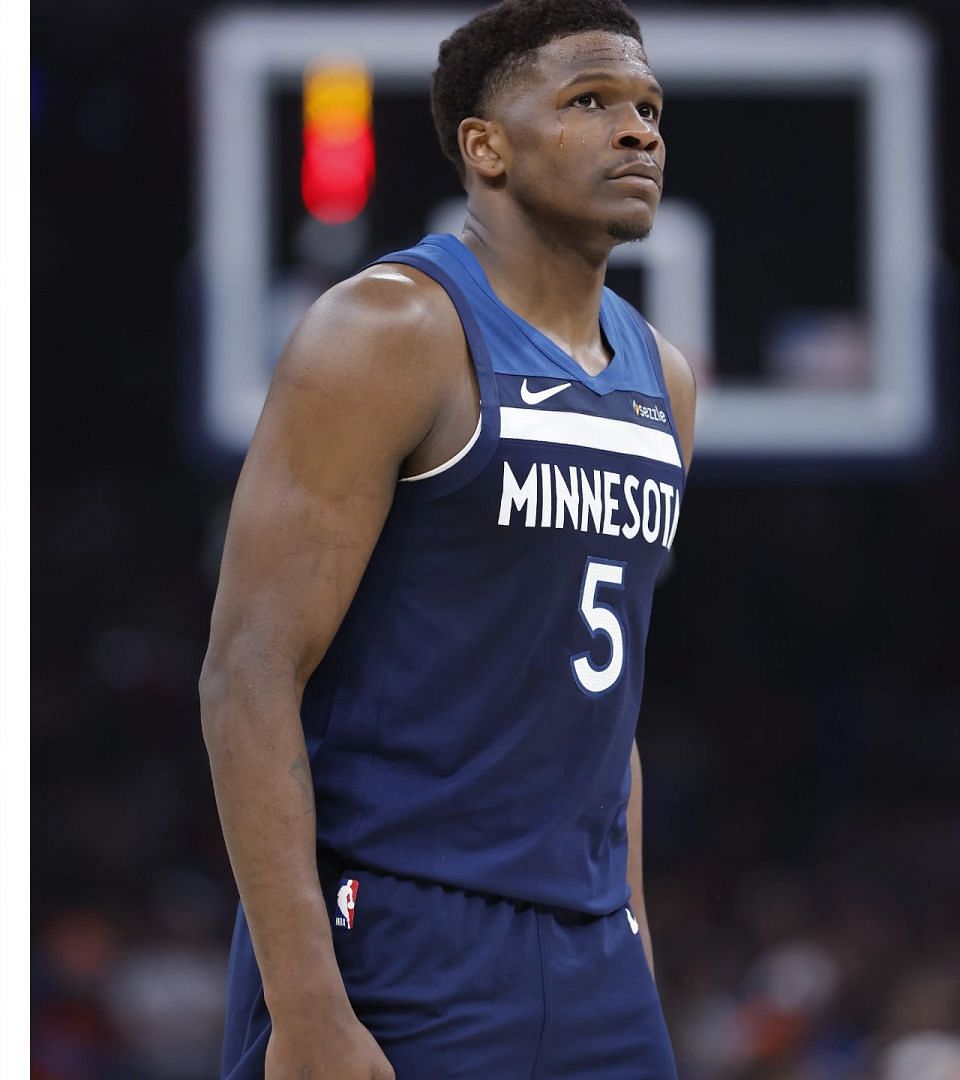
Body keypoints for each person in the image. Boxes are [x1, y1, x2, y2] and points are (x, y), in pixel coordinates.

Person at [200, 1, 694, 1076]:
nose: (639, 130)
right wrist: (306, 1004)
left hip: (595, 944)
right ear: (486, 146)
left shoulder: (665, 379)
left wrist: (633, 945)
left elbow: (606, 706)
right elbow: (247, 673)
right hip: (398, 927)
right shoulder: (389, 330)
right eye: (591, 101)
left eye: (649, 107)